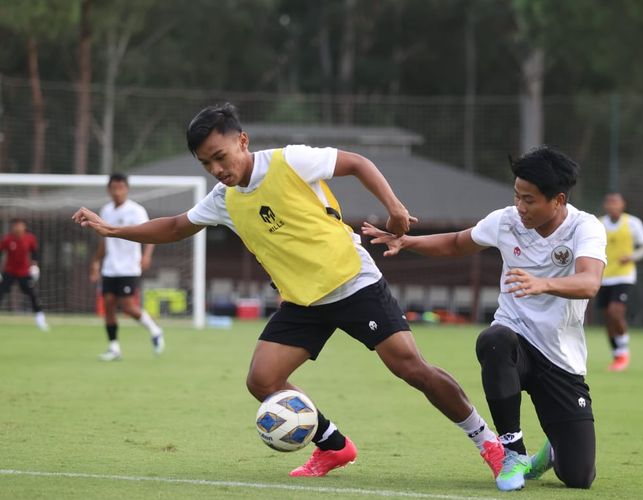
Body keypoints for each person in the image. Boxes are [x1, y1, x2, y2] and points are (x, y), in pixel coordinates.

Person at [73, 103, 505, 482]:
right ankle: (334, 445)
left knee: (413, 369)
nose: (218, 170)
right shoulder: (224, 198)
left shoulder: (290, 161)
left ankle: (489, 443)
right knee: (262, 380)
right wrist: (113, 229)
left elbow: (358, 163)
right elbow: (173, 226)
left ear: (242, 141)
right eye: (207, 164)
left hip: (352, 282)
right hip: (303, 301)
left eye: (220, 157)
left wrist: (394, 207)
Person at [363, 146, 606, 491]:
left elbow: (589, 282)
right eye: (517, 196)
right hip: (515, 342)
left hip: (560, 357)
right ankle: (513, 451)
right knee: (494, 340)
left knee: (579, 477)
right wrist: (407, 242)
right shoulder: (506, 221)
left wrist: (543, 283)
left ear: (558, 200)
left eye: (530, 200)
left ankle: (552, 452)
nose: (520, 207)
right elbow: (456, 243)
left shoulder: (585, 227)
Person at [90, 173, 164, 361]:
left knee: (128, 307)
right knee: (108, 305)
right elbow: (104, 240)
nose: (117, 192)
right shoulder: (106, 211)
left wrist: (147, 255)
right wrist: (96, 262)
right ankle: (114, 348)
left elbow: (151, 233)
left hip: (129, 267)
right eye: (113, 188)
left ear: (126, 189)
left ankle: (155, 330)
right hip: (110, 267)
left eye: (120, 188)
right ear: (109, 190)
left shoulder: (136, 211)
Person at [596, 193, 643, 372]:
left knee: (615, 312)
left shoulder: (633, 223)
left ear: (622, 205)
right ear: (605, 205)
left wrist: (632, 257)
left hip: (624, 276)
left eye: (616, 202)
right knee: (608, 317)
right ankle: (616, 354)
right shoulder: (599, 224)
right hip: (603, 277)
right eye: (609, 203)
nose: (612, 206)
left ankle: (623, 352)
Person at [0, 218, 49, 331]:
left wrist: (35, 266)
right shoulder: (7, 239)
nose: (18, 228)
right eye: (16, 226)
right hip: (9, 272)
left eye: (20, 226)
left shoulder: (30, 239)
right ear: (12, 227)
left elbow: (34, 253)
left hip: (24, 273)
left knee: (33, 295)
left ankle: (40, 320)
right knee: (1, 293)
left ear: (24, 227)